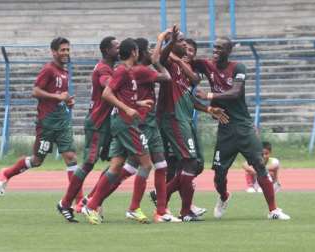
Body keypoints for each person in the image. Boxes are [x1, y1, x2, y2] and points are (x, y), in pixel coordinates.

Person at [193, 36, 290, 220]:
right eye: (214, 47)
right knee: (219, 175)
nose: (215, 51)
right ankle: (224, 197)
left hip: (244, 126)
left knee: (260, 165)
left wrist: (209, 94)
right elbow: (185, 62)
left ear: (228, 51)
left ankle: (273, 210)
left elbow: (236, 92)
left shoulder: (238, 68)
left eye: (220, 48)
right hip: (225, 128)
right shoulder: (206, 65)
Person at [81, 38, 171, 224]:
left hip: (124, 120)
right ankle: (133, 208)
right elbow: (107, 94)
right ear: (134, 52)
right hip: (125, 122)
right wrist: (128, 109)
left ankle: (90, 205)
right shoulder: (122, 70)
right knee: (146, 165)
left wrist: (137, 103)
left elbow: (122, 96)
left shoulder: (129, 72)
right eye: (138, 50)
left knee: (116, 166)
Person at [0, 37, 81, 206]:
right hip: (46, 124)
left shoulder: (65, 72)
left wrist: (67, 101)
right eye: (62, 50)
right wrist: (58, 97)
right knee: (37, 160)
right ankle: (7, 173)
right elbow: (35, 91)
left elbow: (60, 95)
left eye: (67, 50)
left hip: (62, 121)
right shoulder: (48, 70)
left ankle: (79, 202)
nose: (66, 53)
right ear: (54, 52)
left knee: (71, 157)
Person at [154, 26, 228, 221]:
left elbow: (193, 83)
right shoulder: (168, 63)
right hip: (173, 119)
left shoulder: (180, 66)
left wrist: (208, 109)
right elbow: (158, 60)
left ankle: (166, 199)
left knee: (196, 164)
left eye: (185, 42)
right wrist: (166, 42)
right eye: (180, 41)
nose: (185, 44)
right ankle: (182, 210)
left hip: (184, 119)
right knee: (188, 162)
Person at [56, 36, 119, 223]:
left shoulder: (109, 67)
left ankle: (91, 199)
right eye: (116, 47)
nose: (119, 49)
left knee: (118, 161)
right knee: (89, 163)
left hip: (108, 123)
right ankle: (66, 202)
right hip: (97, 123)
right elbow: (107, 84)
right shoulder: (103, 69)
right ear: (107, 50)